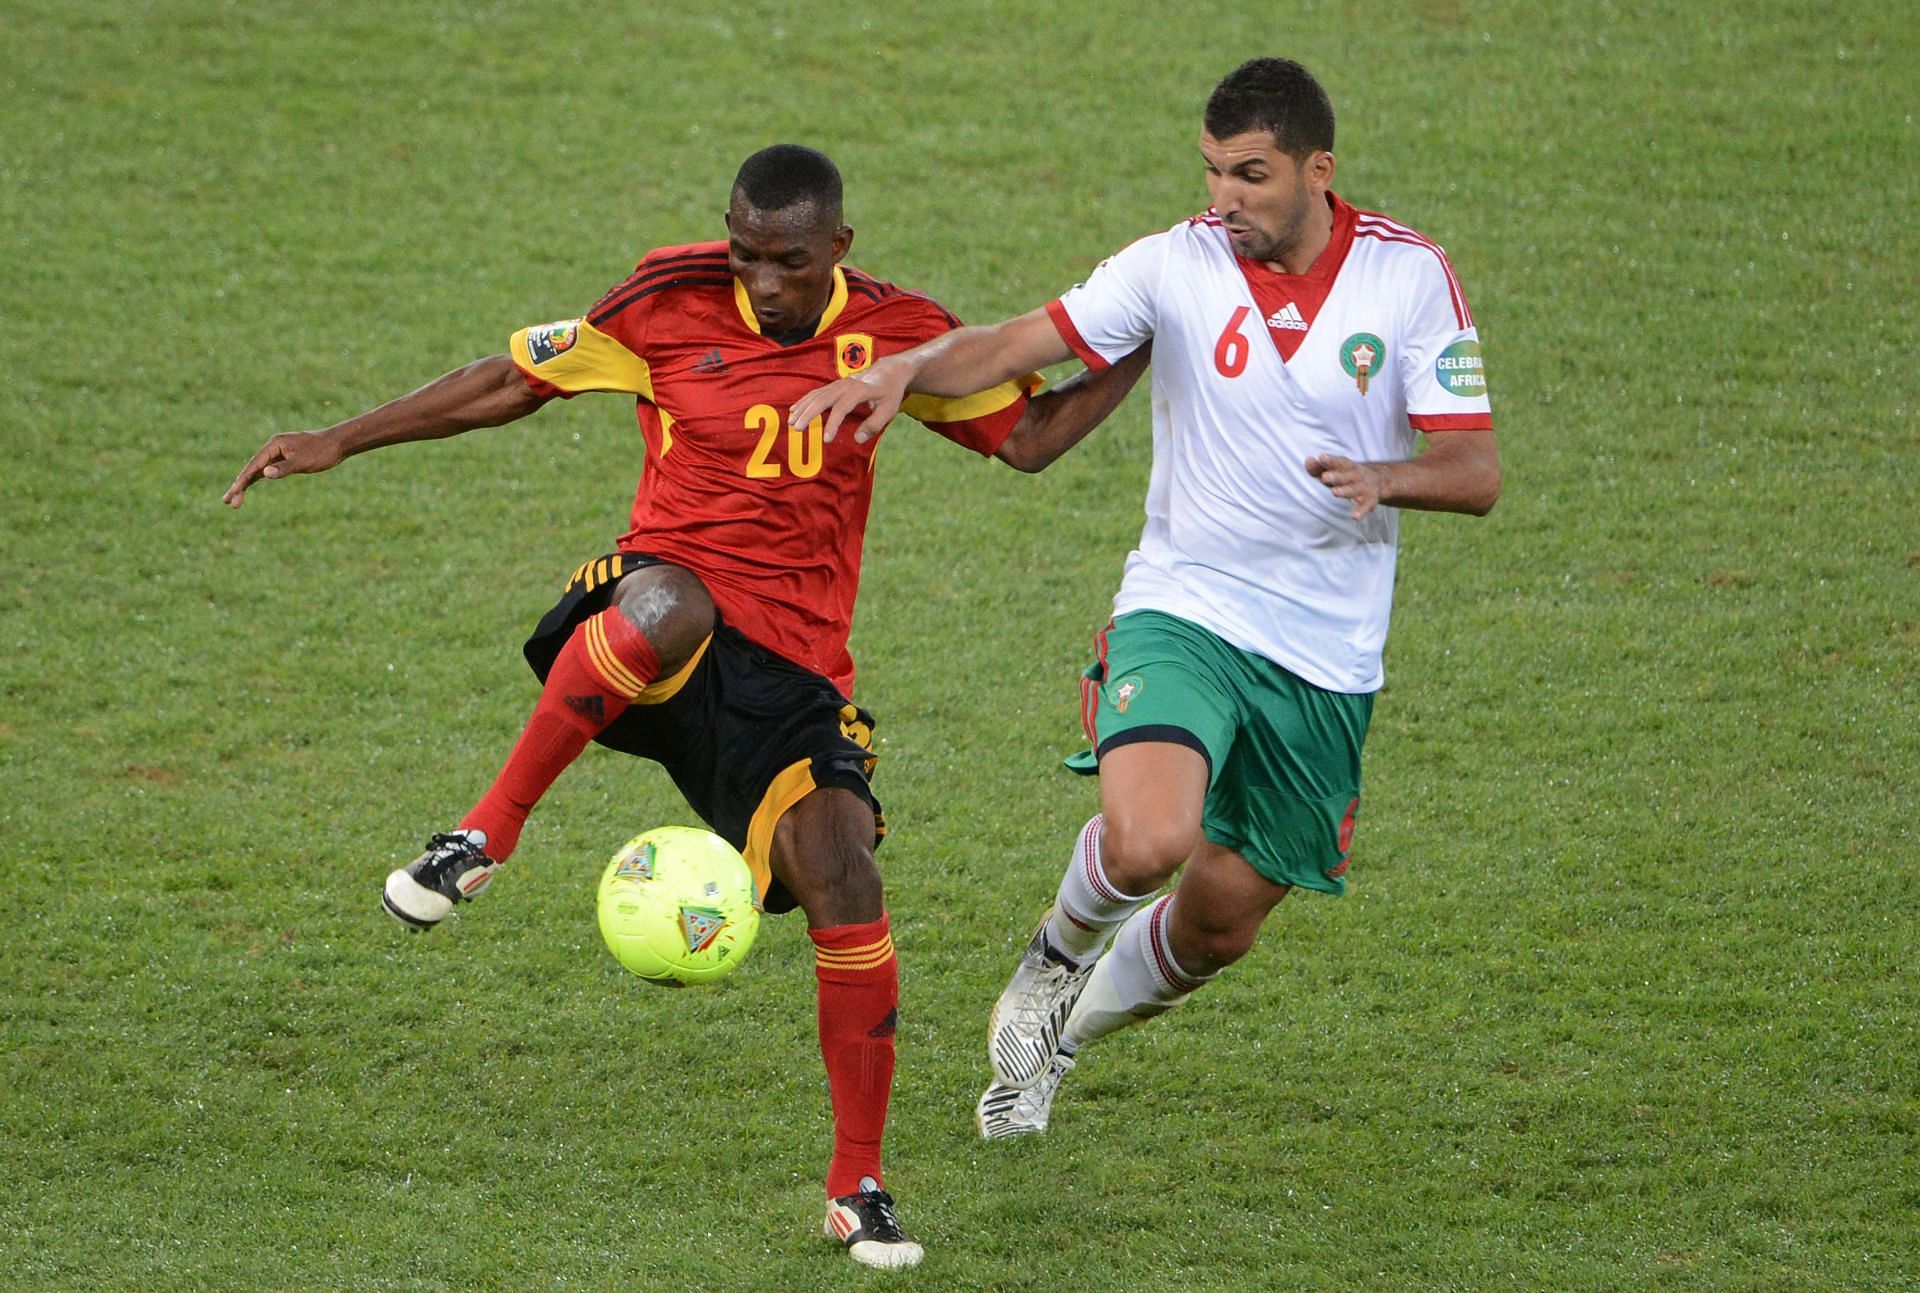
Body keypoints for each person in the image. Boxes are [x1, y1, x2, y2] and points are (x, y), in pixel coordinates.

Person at [223, 144, 1146, 1267]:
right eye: (746, 253)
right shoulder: (665, 297)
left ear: (839, 250)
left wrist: (1153, 340)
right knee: (671, 598)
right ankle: (483, 834)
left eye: (790, 263)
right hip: (645, 626)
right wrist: (341, 438)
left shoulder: (902, 336)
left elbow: (1033, 439)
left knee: (846, 874)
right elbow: (511, 379)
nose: (762, 283)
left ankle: (857, 1186)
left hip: (793, 677)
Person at [791, 59, 1500, 1141]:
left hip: (1326, 656)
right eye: (1214, 172)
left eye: (1252, 176)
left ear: (1319, 169)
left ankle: (1059, 1042)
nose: (1227, 199)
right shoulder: (1176, 264)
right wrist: (904, 371)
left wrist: (1384, 479)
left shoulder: (1408, 278)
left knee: (1219, 927)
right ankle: (1051, 964)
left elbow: (1476, 472)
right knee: (1145, 839)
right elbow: (1013, 343)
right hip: (1187, 606)